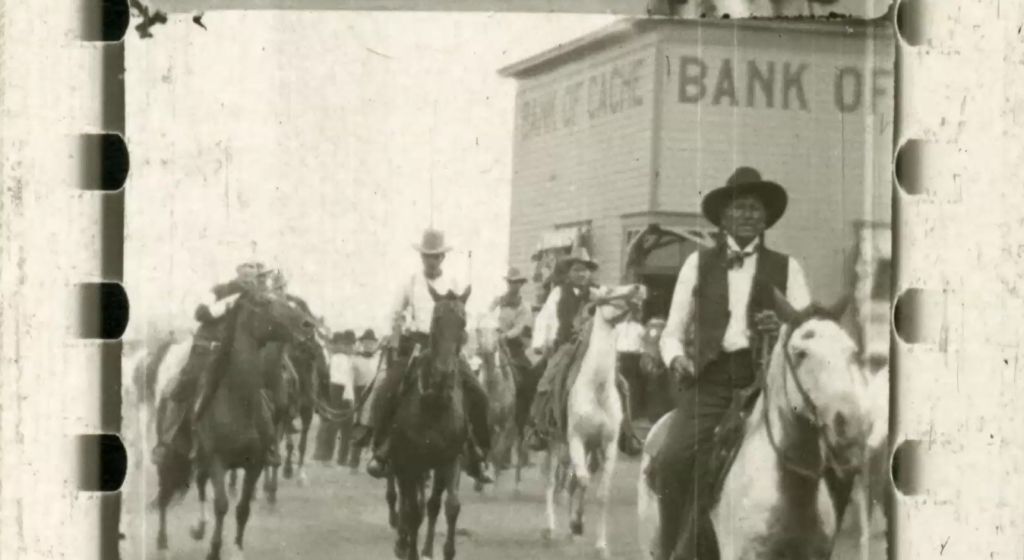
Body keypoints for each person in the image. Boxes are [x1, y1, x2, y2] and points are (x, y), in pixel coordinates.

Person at [656, 167, 812, 560]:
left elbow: (807, 333)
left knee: (812, 455)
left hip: (766, 382)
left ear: (766, 219)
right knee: (674, 458)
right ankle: (673, 547)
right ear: (724, 216)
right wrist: (676, 360)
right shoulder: (698, 264)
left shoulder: (788, 267)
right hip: (709, 380)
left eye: (755, 209)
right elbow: (671, 332)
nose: (747, 215)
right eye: (740, 207)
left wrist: (782, 328)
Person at [358, 228, 494, 484]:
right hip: (418, 346)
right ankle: (381, 448)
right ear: (421, 257)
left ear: (442, 258)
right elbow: (394, 313)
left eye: (435, 256)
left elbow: (467, 316)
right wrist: (395, 332)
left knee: (479, 394)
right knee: (387, 387)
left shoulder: (454, 283)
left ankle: (479, 454)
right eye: (426, 256)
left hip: (449, 348)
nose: (430, 261)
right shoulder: (409, 282)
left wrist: (463, 339)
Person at [152, 261, 282, 467]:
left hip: (238, 354)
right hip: (207, 348)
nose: (251, 280)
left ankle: (269, 444)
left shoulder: (261, 300)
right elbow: (200, 313)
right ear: (238, 274)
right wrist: (228, 304)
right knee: (182, 386)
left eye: (255, 276)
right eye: (247, 276)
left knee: (264, 388)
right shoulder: (220, 291)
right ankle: (167, 442)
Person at [526, 245, 644, 457]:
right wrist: (541, 341)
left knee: (622, 385)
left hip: (595, 351)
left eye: (585, 270)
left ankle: (627, 433)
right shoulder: (558, 293)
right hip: (567, 347)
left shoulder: (599, 292)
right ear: (569, 272)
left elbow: (615, 304)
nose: (581, 274)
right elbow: (545, 318)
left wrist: (631, 298)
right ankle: (539, 427)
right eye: (576, 270)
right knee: (546, 380)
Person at [314, 330, 356, 465]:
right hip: (338, 394)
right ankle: (327, 457)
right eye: (347, 345)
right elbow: (338, 381)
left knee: (346, 430)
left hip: (346, 396)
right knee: (333, 427)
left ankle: (341, 458)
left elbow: (349, 381)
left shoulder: (347, 359)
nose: (349, 347)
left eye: (350, 345)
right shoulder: (339, 358)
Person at [615, 309, 646, 422]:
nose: (629, 315)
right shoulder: (618, 327)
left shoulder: (639, 328)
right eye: (626, 313)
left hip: (634, 357)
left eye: (631, 313)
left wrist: (641, 353)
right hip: (621, 356)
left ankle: (633, 412)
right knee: (620, 384)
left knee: (633, 385)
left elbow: (644, 342)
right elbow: (614, 341)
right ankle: (621, 411)